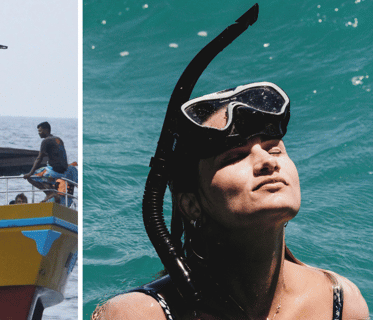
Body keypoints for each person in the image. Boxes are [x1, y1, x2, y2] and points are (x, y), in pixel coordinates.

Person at [93, 82, 368, 319]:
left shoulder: (342, 303)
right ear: (191, 205)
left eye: (275, 149)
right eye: (235, 157)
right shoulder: (137, 314)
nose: (267, 162)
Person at [23, 121, 77, 199]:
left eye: (40, 131)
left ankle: (49, 193)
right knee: (45, 173)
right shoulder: (58, 139)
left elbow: (39, 158)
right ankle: (54, 194)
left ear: (46, 130)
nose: (39, 133)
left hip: (55, 171)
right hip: (64, 170)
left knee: (31, 177)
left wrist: (29, 173)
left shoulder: (46, 141)